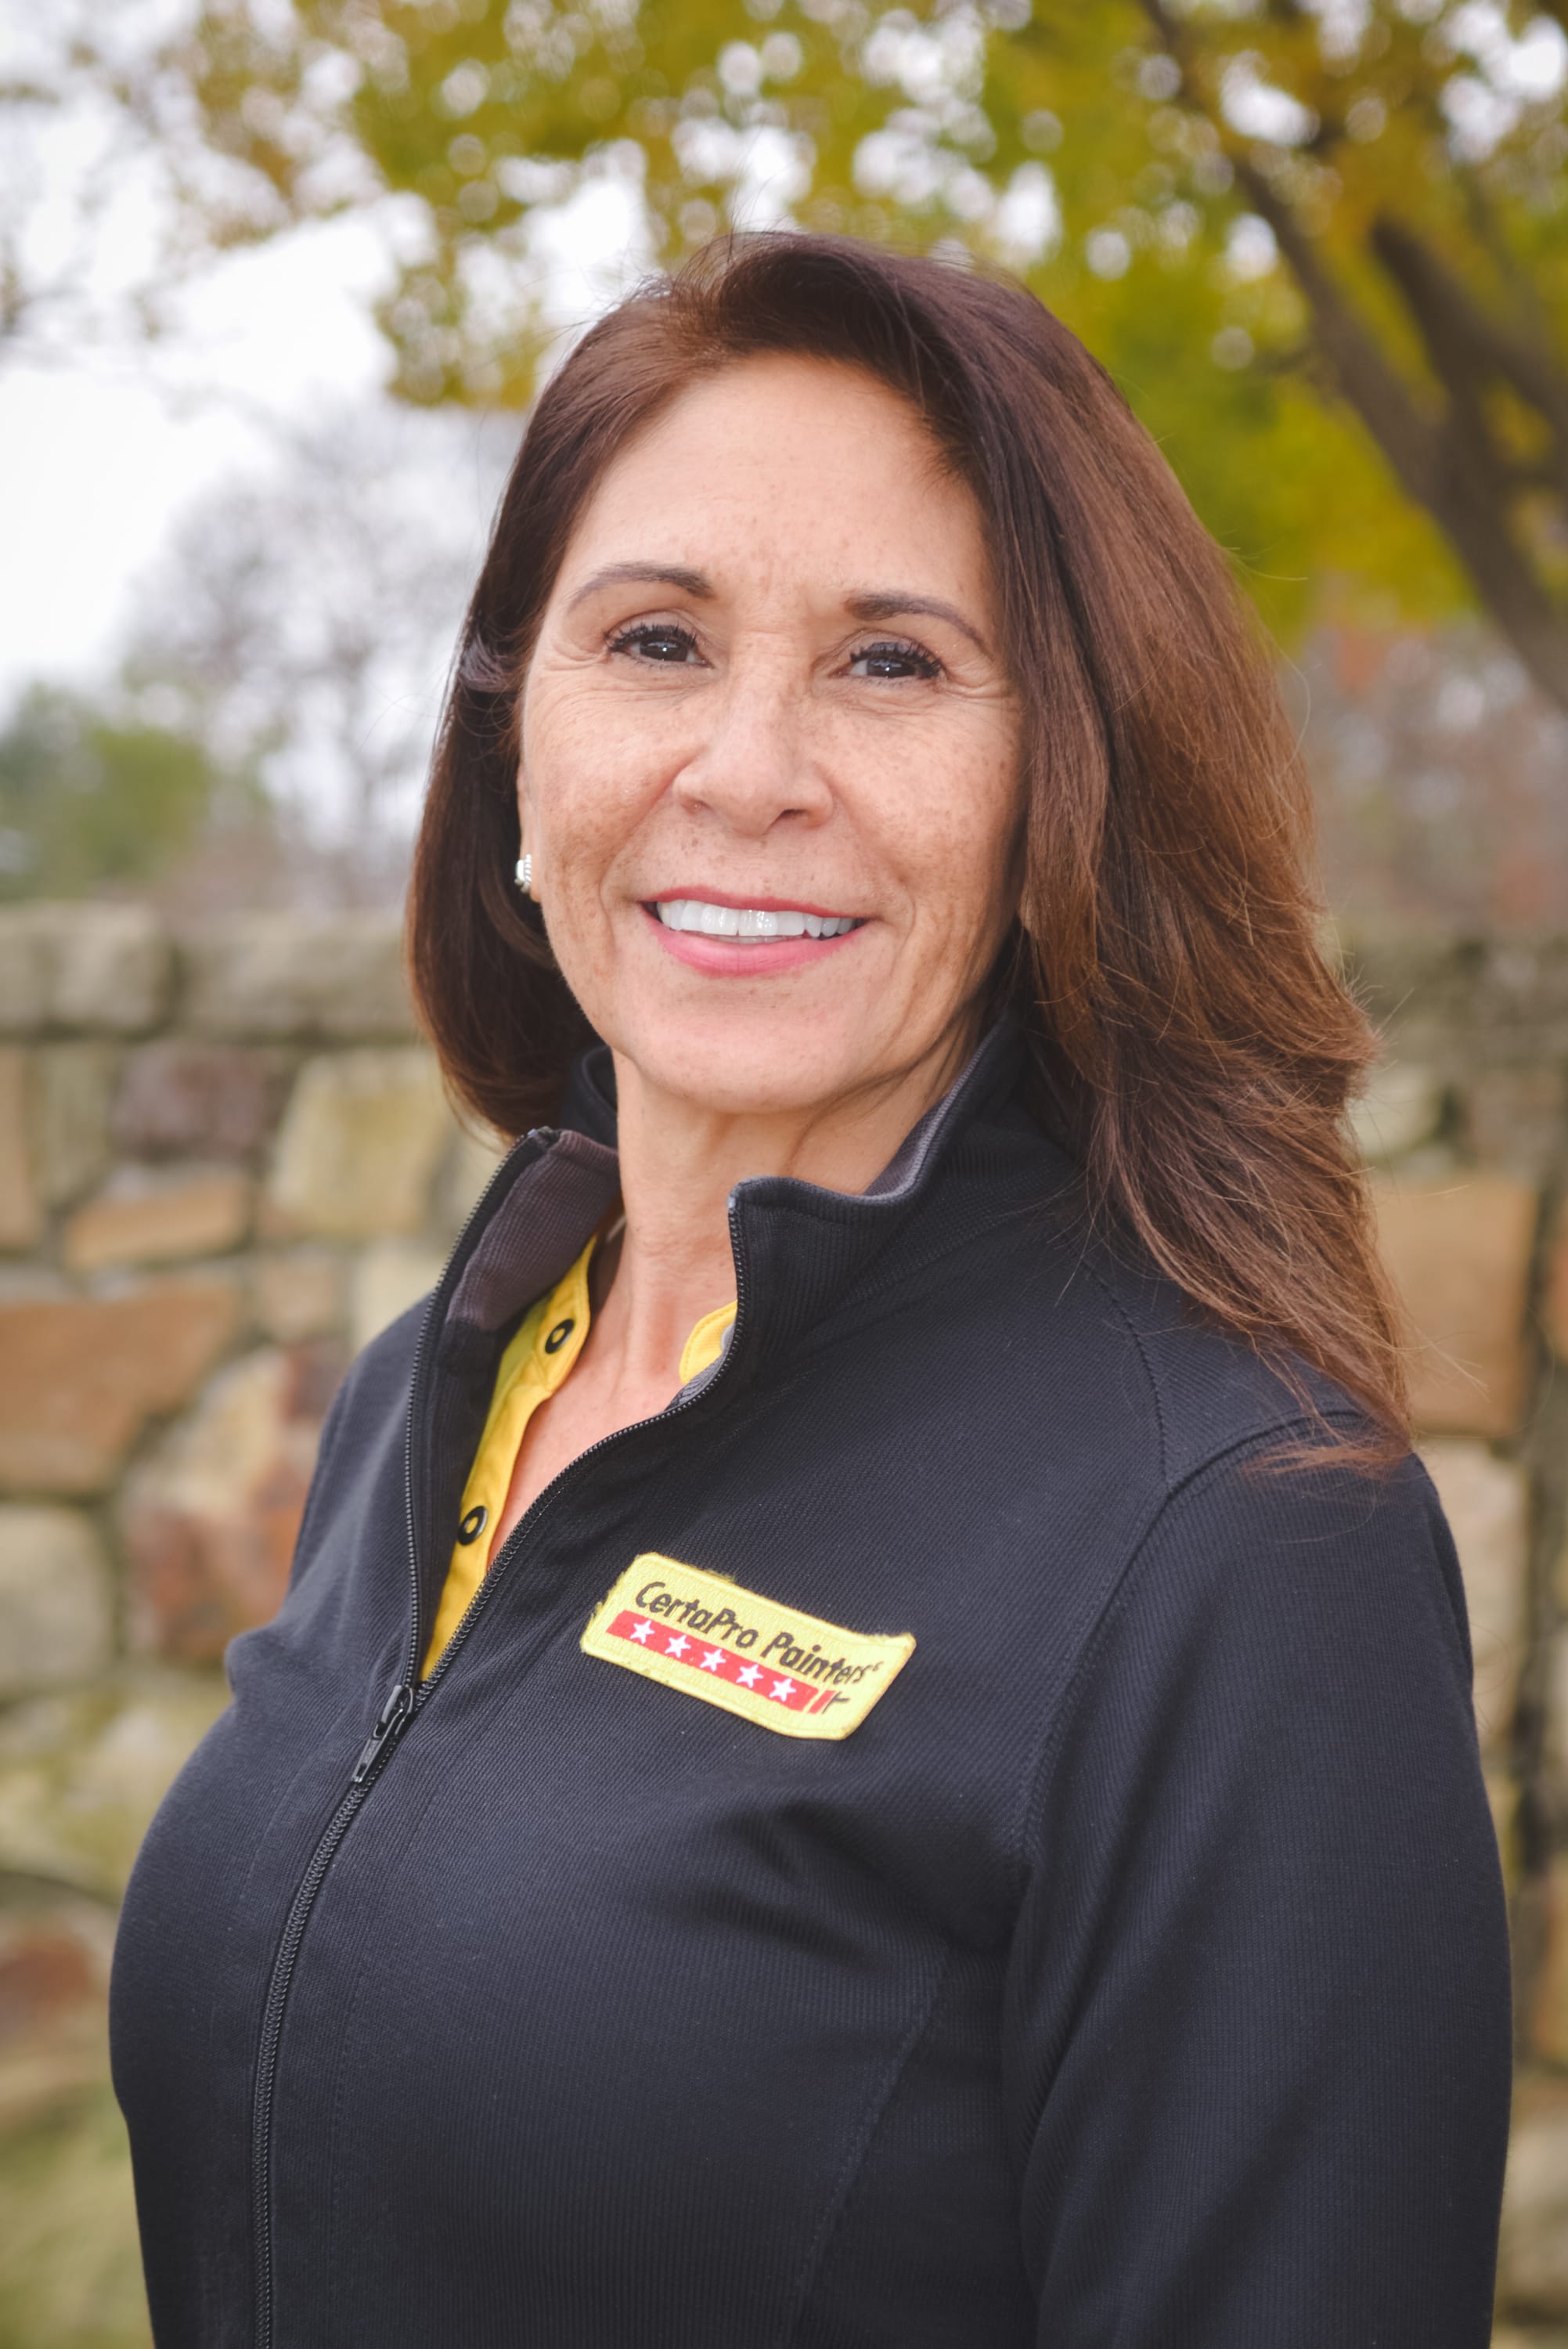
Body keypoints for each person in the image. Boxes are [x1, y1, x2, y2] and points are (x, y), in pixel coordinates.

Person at [110, 233, 1510, 2349]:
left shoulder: (1236, 1542)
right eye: (655, 640)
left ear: (1061, 781)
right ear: (513, 741)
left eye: (890, 664)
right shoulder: (431, 1394)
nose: (748, 768)